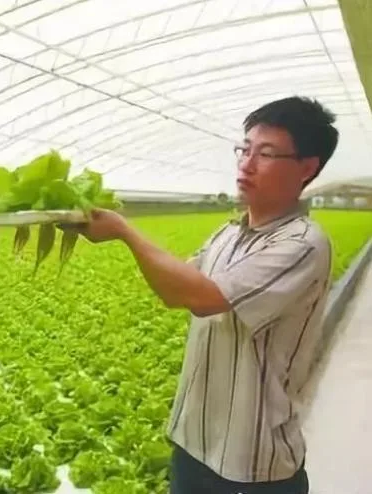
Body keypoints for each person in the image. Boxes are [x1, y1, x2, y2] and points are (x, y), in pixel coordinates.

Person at [64, 96, 339, 493]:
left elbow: (205, 297)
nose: (246, 163)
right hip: (193, 444)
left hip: (253, 462)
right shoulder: (226, 234)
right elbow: (175, 287)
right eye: (244, 148)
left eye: (265, 153)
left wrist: (126, 232)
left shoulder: (303, 243)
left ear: (307, 168)